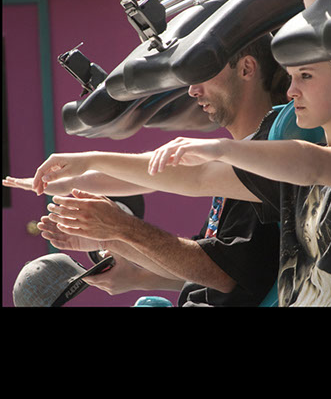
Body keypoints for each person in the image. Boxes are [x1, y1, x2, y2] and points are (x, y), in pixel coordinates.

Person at [31, 59, 331, 307]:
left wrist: (221, 149)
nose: (292, 90)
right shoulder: (287, 176)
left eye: (307, 76)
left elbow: (314, 165)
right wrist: (86, 163)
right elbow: (196, 177)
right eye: (292, 77)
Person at [7, 34, 287, 307]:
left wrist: (119, 226)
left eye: (202, 71)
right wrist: (112, 239)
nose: (192, 90)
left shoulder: (271, 154)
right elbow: (202, 260)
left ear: (247, 68)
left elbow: (223, 274)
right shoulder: (241, 155)